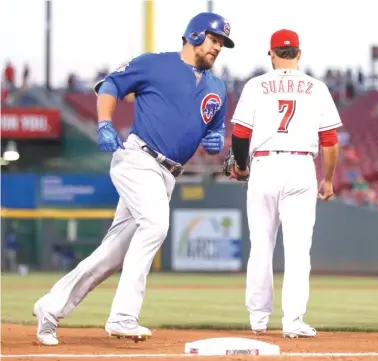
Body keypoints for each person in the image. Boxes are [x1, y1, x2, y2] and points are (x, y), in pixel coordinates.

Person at [33, 12, 234, 346]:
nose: (217, 48)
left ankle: (49, 308)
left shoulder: (217, 86)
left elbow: (213, 127)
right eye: (214, 40)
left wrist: (215, 137)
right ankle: (123, 316)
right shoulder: (155, 64)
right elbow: (111, 85)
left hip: (168, 175)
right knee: (156, 225)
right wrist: (104, 123)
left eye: (222, 44)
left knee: (111, 255)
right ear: (194, 35)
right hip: (138, 159)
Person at [228, 29, 342, 338]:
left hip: (264, 164)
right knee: (298, 250)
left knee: (261, 246)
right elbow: (330, 140)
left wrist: (241, 166)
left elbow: (240, 133)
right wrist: (328, 179)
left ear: (272, 53)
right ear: (299, 54)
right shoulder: (316, 88)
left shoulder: (256, 85)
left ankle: (258, 319)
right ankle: (293, 322)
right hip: (301, 165)